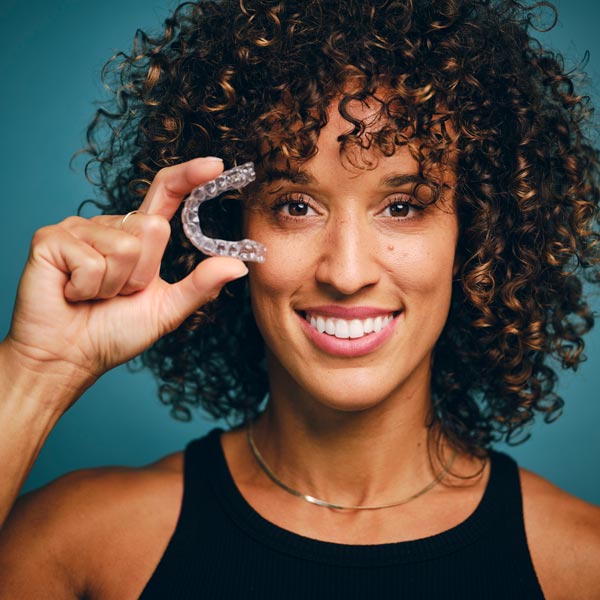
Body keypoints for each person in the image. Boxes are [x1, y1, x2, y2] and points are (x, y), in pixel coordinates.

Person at [1, 0, 599, 597]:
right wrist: (35, 374)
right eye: (295, 205)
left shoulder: (581, 564)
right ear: (231, 228)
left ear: (477, 234)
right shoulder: (81, 546)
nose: (346, 271)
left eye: (403, 206)